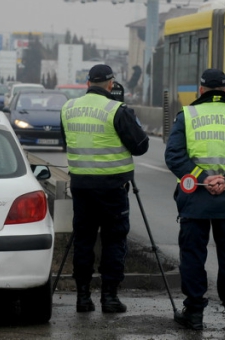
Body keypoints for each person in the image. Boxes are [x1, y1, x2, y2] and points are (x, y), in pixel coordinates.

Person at [164, 68, 225, 331]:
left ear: (201, 90)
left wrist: (203, 178)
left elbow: (174, 156)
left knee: (193, 256)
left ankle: (194, 314)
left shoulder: (188, 115)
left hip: (196, 198)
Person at [60, 64, 149, 314]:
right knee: (114, 240)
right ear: (111, 84)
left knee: (84, 241)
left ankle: (83, 298)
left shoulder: (68, 108)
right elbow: (141, 146)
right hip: (112, 188)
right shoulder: (117, 110)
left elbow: (66, 141)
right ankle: (109, 298)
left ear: (88, 83)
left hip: (81, 187)